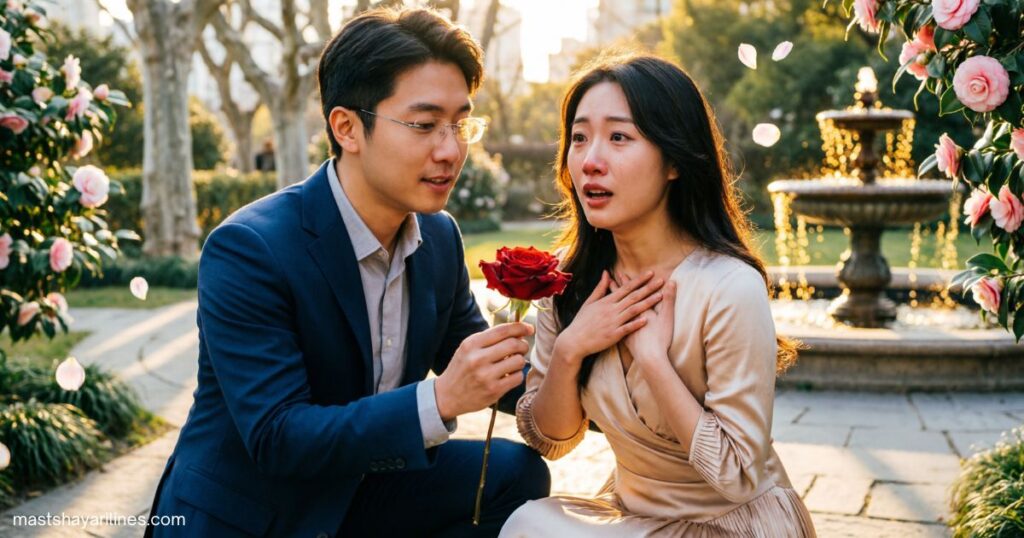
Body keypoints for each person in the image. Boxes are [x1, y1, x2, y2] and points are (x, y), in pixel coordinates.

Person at [145, 8, 549, 537]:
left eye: (460, 124)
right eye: (425, 125)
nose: (451, 150)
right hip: (256, 511)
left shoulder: (440, 239)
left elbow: (492, 373)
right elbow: (277, 436)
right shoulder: (251, 248)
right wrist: (441, 398)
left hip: (361, 486)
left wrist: (586, 366)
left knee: (515, 474)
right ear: (347, 128)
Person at [500, 52, 815, 537]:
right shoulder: (570, 282)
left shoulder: (728, 286)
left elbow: (737, 476)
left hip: (731, 525)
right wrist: (570, 349)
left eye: (619, 137)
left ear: (673, 160)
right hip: (633, 515)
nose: (590, 161)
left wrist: (654, 361)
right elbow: (551, 440)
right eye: (579, 138)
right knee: (527, 523)